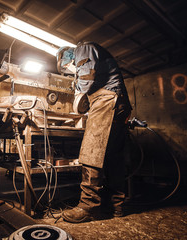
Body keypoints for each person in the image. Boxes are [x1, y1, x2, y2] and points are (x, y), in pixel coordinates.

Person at [56, 42, 132, 223]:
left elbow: (87, 78)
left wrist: (77, 96)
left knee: (92, 152)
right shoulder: (90, 56)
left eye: (66, 63)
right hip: (118, 103)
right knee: (113, 157)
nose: (68, 66)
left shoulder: (83, 48)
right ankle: (117, 205)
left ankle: (89, 207)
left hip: (107, 100)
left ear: (66, 54)